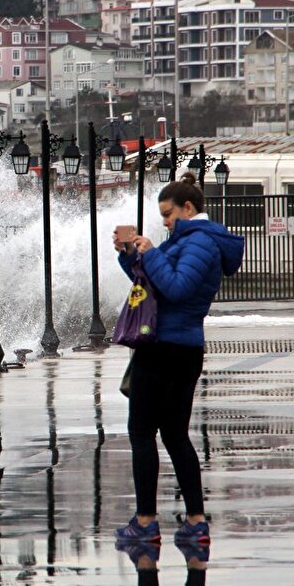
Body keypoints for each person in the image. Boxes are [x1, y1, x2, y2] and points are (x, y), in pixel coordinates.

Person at [114, 172, 244, 547]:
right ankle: (196, 521)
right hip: (179, 350)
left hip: (165, 349)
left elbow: (176, 288)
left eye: (169, 214)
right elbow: (152, 282)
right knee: (173, 435)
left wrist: (152, 252)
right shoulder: (188, 240)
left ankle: (145, 522)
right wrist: (130, 256)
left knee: (142, 433)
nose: (166, 222)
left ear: (188, 208)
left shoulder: (199, 243)